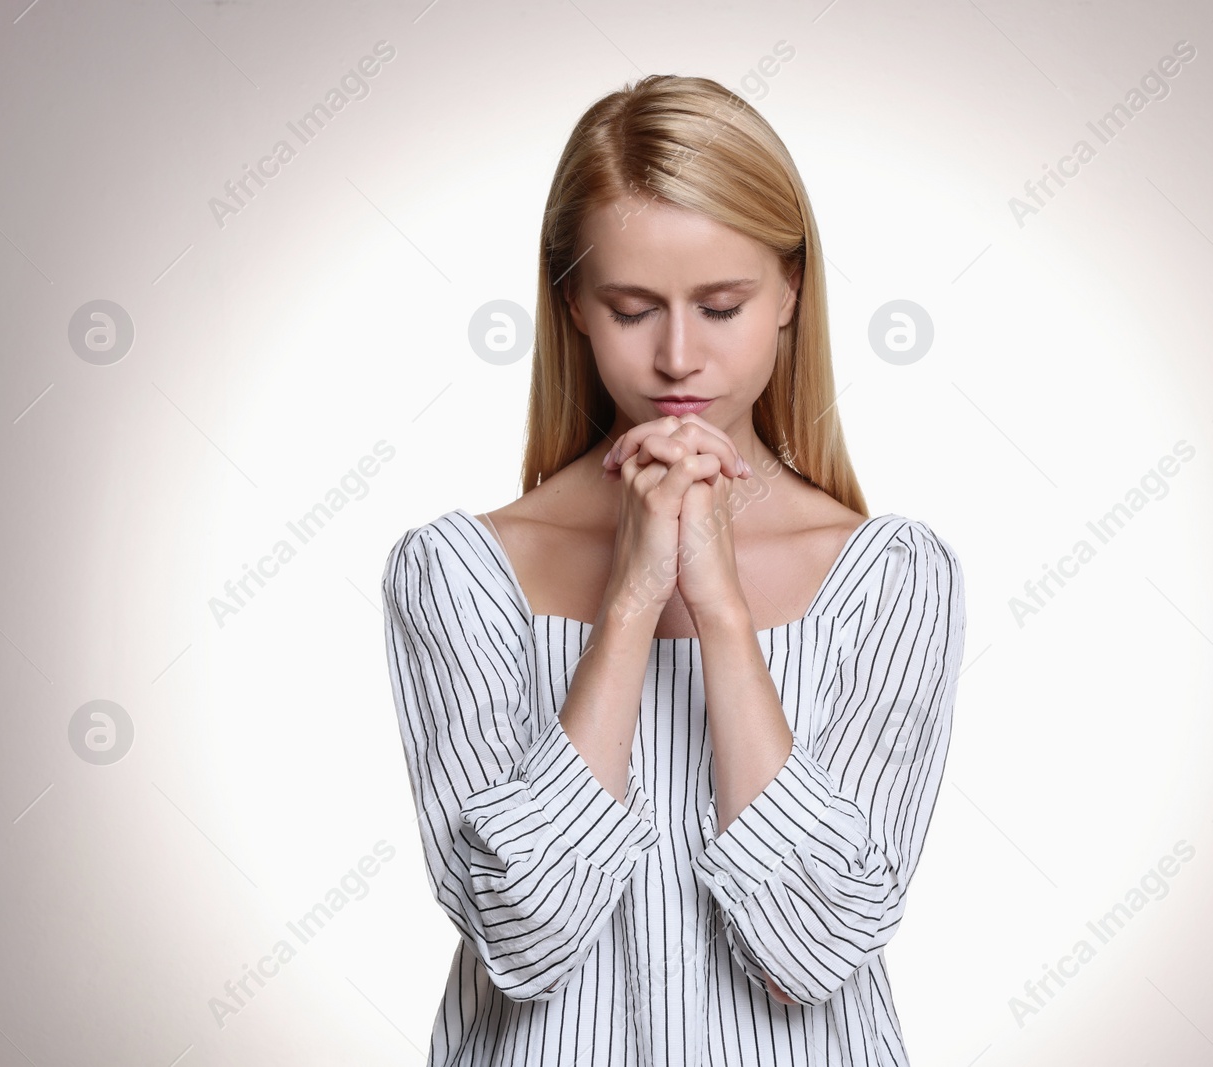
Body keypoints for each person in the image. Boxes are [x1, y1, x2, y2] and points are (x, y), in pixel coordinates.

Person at [380, 73, 966, 1067]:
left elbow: (813, 950)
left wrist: (724, 614)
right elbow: (522, 935)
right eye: (633, 307)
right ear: (572, 303)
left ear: (789, 291)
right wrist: (630, 601)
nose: (679, 356)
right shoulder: (456, 573)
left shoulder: (891, 577)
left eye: (722, 304)